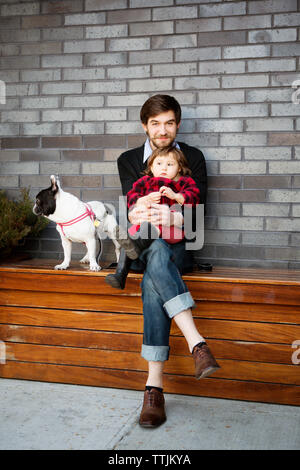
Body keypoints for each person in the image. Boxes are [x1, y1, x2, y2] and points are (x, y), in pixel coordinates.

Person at [111, 95, 220, 428]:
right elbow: (134, 210)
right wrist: (148, 213)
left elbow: (196, 217)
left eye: (169, 122)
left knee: (155, 266)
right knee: (153, 250)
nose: (162, 130)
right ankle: (196, 343)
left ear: (178, 124)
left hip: (178, 245)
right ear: (145, 125)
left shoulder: (193, 158)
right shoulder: (128, 160)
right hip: (144, 241)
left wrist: (173, 219)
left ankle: (153, 388)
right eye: (155, 123)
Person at [105, 146, 201, 289]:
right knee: (129, 236)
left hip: (171, 229)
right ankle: (120, 275)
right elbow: (131, 196)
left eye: (170, 164)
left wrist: (176, 196)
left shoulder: (183, 183)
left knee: (139, 235)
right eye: (159, 163)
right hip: (144, 228)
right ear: (151, 166)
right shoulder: (145, 182)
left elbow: (194, 197)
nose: (164, 168)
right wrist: (143, 199)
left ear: (179, 168)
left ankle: (136, 245)